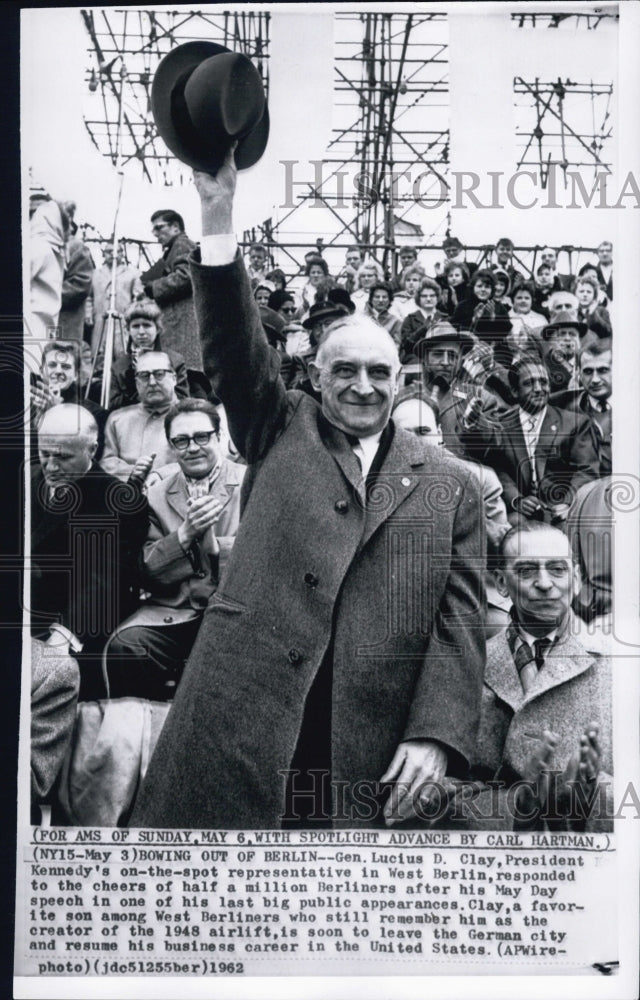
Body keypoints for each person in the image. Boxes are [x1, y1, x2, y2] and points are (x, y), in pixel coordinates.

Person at [131, 150, 486, 831]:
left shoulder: (452, 484)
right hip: (243, 710)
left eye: (379, 373)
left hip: (369, 735)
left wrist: (436, 734)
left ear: (400, 381)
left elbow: (459, 622)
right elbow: (232, 344)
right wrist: (216, 212)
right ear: (316, 378)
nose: (362, 386)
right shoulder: (280, 422)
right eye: (344, 370)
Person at [454, 523, 612, 832]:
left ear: (576, 580)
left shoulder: (615, 664)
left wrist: (593, 795)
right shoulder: (470, 667)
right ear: (502, 582)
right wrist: (516, 806)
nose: (544, 583)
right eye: (526, 571)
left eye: (557, 570)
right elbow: (446, 796)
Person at [105, 400, 245, 701]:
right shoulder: (156, 493)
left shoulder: (249, 484)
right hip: (176, 612)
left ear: (219, 436)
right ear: (170, 445)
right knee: (126, 645)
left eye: (201, 437)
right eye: (181, 440)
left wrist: (214, 547)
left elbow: (265, 556)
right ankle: (147, 724)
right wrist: (185, 534)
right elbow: (147, 570)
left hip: (236, 612)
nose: (192, 448)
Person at [31, 405, 148, 699]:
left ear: (92, 450)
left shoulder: (119, 501)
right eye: (45, 453)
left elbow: (105, 581)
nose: (51, 466)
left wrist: (64, 635)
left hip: (75, 623)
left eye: (63, 457)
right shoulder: (25, 482)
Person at [481, 354, 600, 525]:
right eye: (529, 383)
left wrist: (568, 503)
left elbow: (586, 470)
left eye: (543, 382)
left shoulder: (575, 424)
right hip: (521, 514)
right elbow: (498, 468)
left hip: (564, 511)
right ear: (514, 391)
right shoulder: (501, 426)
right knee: (513, 528)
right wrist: (517, 500)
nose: (538, 389)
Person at [101, 350, 180, 481]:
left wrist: (162, 474)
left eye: (159, 374)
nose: (152, 382)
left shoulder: (195, 416)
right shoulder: (118, 419)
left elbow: (210, 458)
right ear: (137, 383)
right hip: (128, 490)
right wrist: (131, 472)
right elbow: (106, 462)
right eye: (144, 376)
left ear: (174, 378)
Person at [140, 209, 203, 370]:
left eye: (159, 227)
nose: (155, 233)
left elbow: (187, 276)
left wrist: (154, 287)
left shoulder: (182, 244)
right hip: (180, 324)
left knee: (184, 370)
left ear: (175, 227)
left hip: (182, 325)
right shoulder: (176, 247)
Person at [31, 340, 108, 460]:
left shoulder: (95, 413)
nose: (58, 371)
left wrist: (56, 416)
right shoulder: (26, 407)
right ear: (41, 371)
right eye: (52, 365)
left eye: (66, 367)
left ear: (76, 375)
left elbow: (89, 458)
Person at [107, 299, 190, 410]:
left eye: (147, 325)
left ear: (158, 329)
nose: (141, 332)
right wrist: (133, 379)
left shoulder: (175, 360)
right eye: (135, 326)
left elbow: (183, 399)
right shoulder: (119, 367)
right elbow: (114, 406)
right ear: (128, 330)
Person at [551, 337, 612, 477]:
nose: (595, 380)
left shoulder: (633, 406)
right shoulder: (562, 406)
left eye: (603, 370)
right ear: (578, 373)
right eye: (588, 372)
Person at [89, 241, 143, 357]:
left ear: (122, 253)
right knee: (99, 354)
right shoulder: (95, 274)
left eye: (117, 251)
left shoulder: (133, 274)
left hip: (122, 320)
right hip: (100, 320)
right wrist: (88, 314)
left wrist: (131, 315)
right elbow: (89, 297)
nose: (113, 255)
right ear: (103, 254)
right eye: (109, 252)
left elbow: (138, 297)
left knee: (122, 352)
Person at [399, 278, 448, 363]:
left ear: (437, 298)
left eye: (432, 296)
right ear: (419, 298)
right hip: (415, 359)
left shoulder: (445, 318)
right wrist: (423, 329)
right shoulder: (410, 319)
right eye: (424, 296)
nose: (428, 299)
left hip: (440, 358)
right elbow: (405, 345)